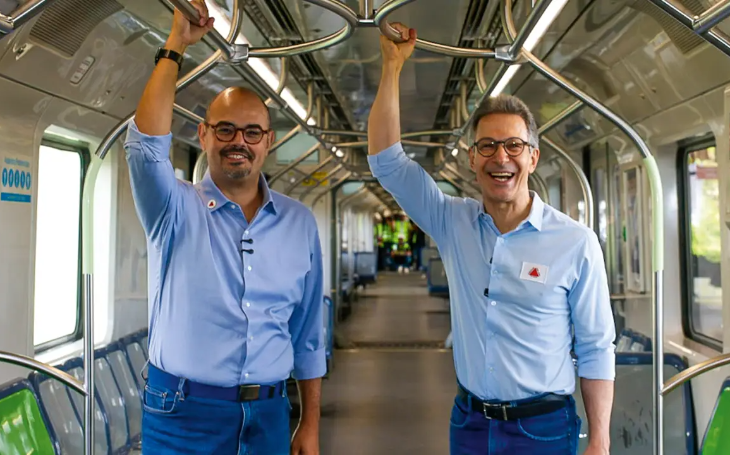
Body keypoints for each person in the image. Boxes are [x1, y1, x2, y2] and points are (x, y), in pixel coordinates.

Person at [367, 23, 615, 455]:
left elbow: (595, 346)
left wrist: (600, 440)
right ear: (472, 158)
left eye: (514, 145)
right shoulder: (451, 221)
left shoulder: (575, 242)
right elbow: (387, 163)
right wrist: (391, 66)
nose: (501, 157)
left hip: (542, 427)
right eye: (487, 146)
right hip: (471, 422)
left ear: (533, 157)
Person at [123, 1, 325, 453]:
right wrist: (176, 45)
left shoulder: (299, 223)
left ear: (268, 142)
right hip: (182, 414)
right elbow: (144, 148)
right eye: (226, 130)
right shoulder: (173, 208)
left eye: (252, 133)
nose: (239, 142)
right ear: (204, 135)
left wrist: (309, 423)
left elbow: (308, 334)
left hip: (269, 415)